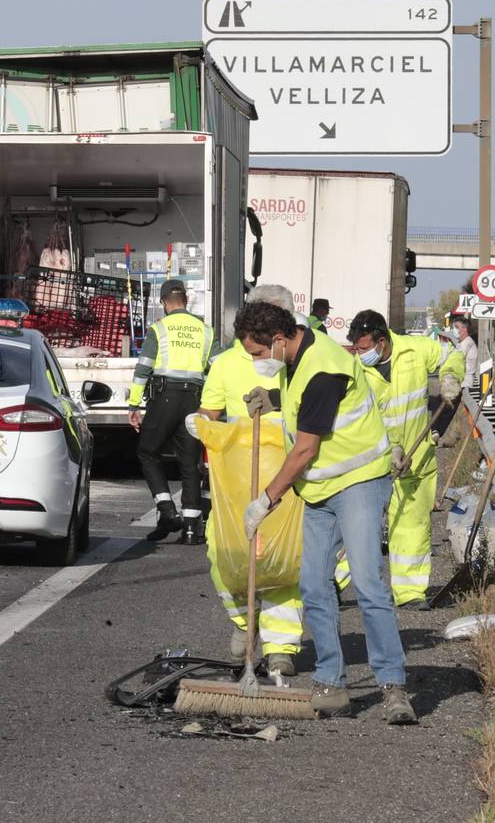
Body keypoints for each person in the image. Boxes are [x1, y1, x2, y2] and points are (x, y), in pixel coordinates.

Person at [236, 301, 416, 724]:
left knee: (369, 584)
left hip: (358, 483)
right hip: (320, 491)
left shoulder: (323, 366)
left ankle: (393, 687)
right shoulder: (300, 355)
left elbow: (305, 449)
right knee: (314, 585)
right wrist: (273, 397)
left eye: (259, 355)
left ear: (279, 340)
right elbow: (308, 403)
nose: (257, 362)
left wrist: (266, 500)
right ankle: (331, 683)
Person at [195, 284, 303, 678]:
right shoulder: (225, 364)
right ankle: (246, 623)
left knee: (283, 558)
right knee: (223, 553)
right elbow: (209, 412)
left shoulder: (295, 359)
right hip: (236, 476)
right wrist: (201, 427)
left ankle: (281, 649)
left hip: (285, 475)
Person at [346, 310, 465, 609]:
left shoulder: (415, 349)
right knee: (360, 523)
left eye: (363, 348)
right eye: (356, 349)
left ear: (382, 342)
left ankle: (409, 592)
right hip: (372, 460)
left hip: (417, 459)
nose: (359, 354)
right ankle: (333, 581)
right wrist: (391, 450)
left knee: (410, 524)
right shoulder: (355, 370)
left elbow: (452, 353)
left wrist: (450, 376)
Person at [128, 279, 213, 544]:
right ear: (186, 300)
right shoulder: (206, 331)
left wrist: (133, 405)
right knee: (190, 462)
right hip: (194, 400)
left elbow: (143, 368)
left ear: (164, 302)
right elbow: (216, 369)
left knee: (148, 452)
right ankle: (191, 528)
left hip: (164, 397)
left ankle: (166, 511)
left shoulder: (159, 329)